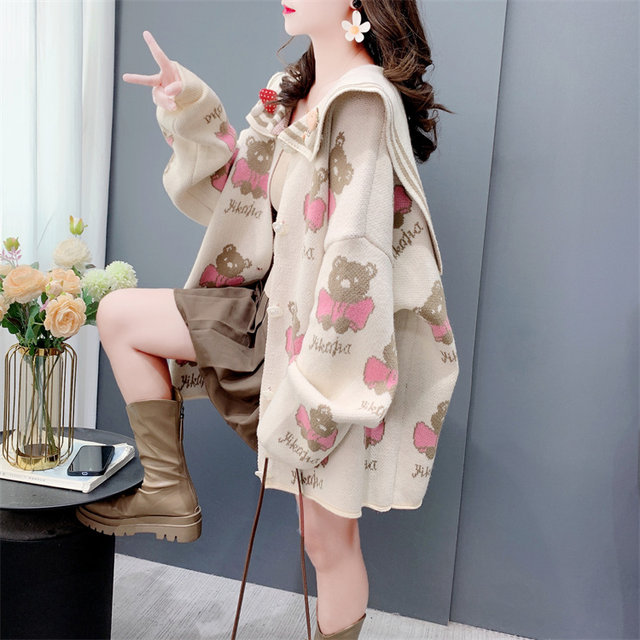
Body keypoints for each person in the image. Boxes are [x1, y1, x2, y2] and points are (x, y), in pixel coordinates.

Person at [76, 1, 460, 638]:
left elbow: (356, 258)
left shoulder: (362, 103)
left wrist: (318, 393)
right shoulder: (292, 94)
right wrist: (186, 104)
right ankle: (166, 490)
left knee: (326, 541)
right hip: (265, 318)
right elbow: (240, 194)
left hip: (329, 346)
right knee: (119, 315)